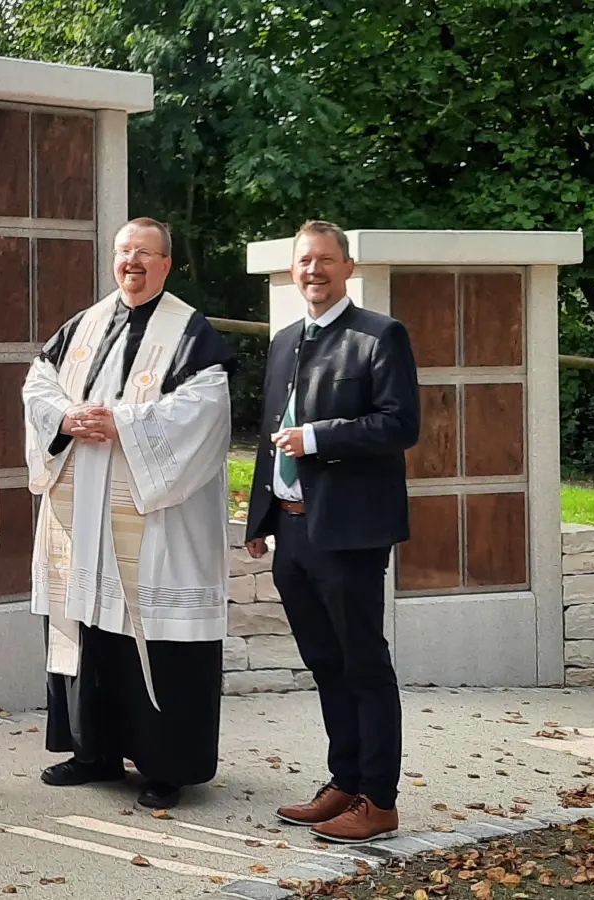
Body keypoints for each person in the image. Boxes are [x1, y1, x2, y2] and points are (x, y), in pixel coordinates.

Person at [23, 218, 236, 810]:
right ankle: (93, 752)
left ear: (166, 264)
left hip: (154, 524)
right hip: (84, 516)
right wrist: (65, 419)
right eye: (124, 253)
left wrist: (124, 424)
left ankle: (167, 766)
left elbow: (207, 406)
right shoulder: (84, 326)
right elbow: (39, 383)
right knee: (89, 631)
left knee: (154, 637)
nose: (132, 263)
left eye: (145, 254)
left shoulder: (190, 332)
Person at [244, 220, 420, 843]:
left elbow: (400, 425)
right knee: (324, 663)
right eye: (303, 262)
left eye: (324, 260)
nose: (312, 271)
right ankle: (344, 782)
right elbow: (273, 432)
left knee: (362, 663)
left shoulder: (379, 336)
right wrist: (259, 520)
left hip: (348, 532)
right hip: (291, 532)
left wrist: (319, 439)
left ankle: (379, 799)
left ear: (347, 266)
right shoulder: (286, 338)